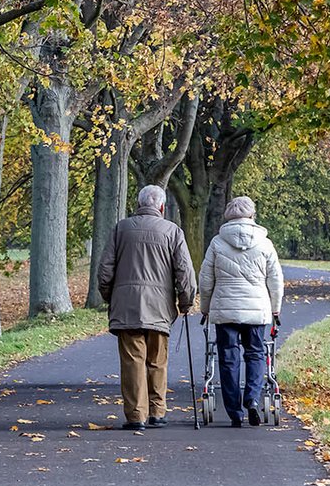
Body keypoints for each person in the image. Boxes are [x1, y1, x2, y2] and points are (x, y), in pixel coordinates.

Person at [96, 184, 197, 430]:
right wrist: (185, 302)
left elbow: (104, 271)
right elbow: (185, 272)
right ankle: (157, 412)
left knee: (133, 362)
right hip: (160, 308)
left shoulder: (121, 229)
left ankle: (135, 416)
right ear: (161, 206)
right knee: (157, 361)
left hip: (127, 306)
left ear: (139, 204)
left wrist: (112, 297)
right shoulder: (173, 231)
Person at [199, 195, 284, 427]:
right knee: (256, 353)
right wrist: (275, 309)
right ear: (252, 216)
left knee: (228, 358)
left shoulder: (217, 242)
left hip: (225, 310)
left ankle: (235, 412)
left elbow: (206, 280)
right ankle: (253, 400)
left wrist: (204, 308)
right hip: (256, 310)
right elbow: (275, 280)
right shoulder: (265, 243)